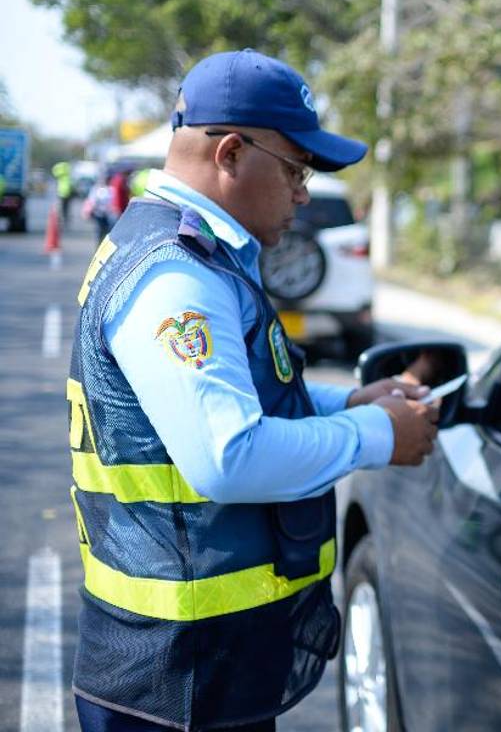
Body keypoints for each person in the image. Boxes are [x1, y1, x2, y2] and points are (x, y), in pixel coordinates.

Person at [67, 49, 440, 731]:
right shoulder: (174, 277)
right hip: (175, 677)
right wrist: (380, 435)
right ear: (231, 153)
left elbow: (232, 401)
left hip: (198, 663)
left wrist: (348, 403)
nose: (303, 192)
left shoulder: (193, 258)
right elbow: (227, 456)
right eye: (296, 169)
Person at [52, 160, 73, 228]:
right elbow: (71, 185)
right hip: (67, 194)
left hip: (62, 194)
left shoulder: (60, 175)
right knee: (66, 208)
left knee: (61, 208)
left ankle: (61, 220)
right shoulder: (68, 176)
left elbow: (54, 171)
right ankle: (64, 220)